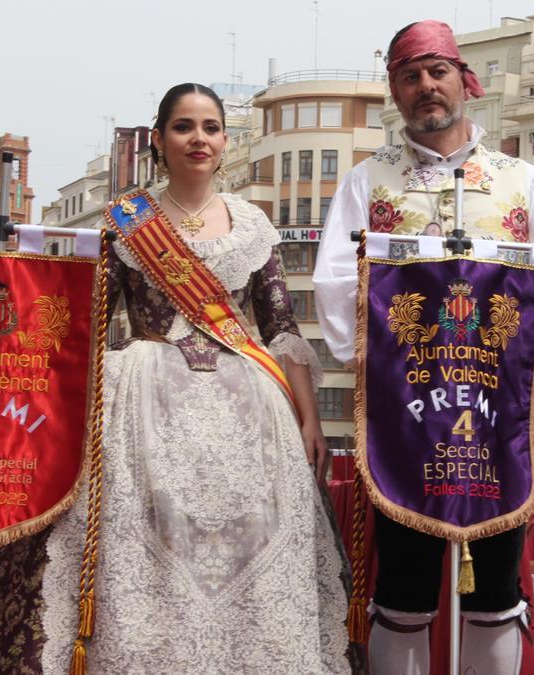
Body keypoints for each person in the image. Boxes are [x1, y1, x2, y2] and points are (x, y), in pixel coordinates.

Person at [23, 82, 348, 673]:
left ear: (225, 141)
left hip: (251, 414)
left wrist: (310, 419)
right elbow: (91, 328)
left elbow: (280, 328)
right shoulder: (126, 223)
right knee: (144, 552)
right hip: (144, 406)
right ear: (160, 139)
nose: (198, 139)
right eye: (184, 126)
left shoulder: (253, 224)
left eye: (210, 127)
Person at [313, 20, 534, 674]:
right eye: (409, 76)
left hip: (496, 418)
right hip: (405, 420)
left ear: (463, 78)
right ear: (394, 90)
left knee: (496, 587)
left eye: (436, 71)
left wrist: (524, 344)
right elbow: (332, 281)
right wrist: (382, 354)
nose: (425, 87)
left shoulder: (521, 181)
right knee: (403, 588)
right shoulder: (367, 183)